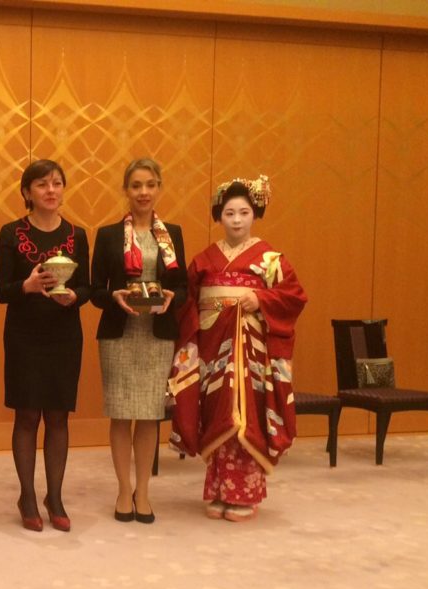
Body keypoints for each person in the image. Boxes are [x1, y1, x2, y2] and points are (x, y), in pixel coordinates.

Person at [169, 175, 307, 521]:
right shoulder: (204, 261)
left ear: (254, 214)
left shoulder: (270, 259)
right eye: (229, 213)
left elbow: (294, 296)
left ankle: (244, 494)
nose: (236, 220)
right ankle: (217, 490)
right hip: (213, 346)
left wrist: (260, 298)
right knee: (217, 411)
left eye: (243, 212)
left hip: (251, 350)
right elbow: (187, 303)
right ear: (219, 216)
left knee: (247, 414)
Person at [0, 159, 90, 532]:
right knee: (28, 415)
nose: (51, 190)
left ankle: (56, 495)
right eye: (42, 185)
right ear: (27, 192)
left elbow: (88, 287)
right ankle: (28, 496)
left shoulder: (77, 234)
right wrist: (27, 287)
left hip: (64, 334)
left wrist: (74, 298)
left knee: (58, 415)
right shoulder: (10, 232)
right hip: (24, 334)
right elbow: (1, 291)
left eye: (57, 183)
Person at [91, 158, 187, 524]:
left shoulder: (172, 233)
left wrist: (169, 297)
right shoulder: (108, 235)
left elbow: (182, 285)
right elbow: (96, 290)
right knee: (120, 413)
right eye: (136, 185)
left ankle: (143, 491)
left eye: (150, 184)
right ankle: (121, 489)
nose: (143, 192)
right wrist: (114, 295)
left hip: (156, 335)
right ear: (126, 190)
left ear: (159, 187)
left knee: (149, 415)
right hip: (119, 334)